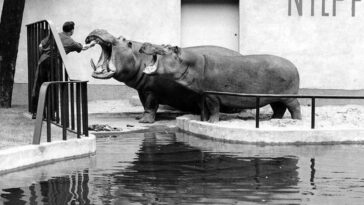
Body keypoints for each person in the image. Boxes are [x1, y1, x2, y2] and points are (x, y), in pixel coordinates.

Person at [31, 21, 96, 119]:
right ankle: (52, 115)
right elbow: (83, 47)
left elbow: (40, 45)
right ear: (72, 31)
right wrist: (91, 44)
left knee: (39, 86)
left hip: (43, 61)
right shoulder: (70, 41)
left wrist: (44, 53)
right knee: (53, 87)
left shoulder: (55, 35)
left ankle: (36, 113)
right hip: (54, 63)